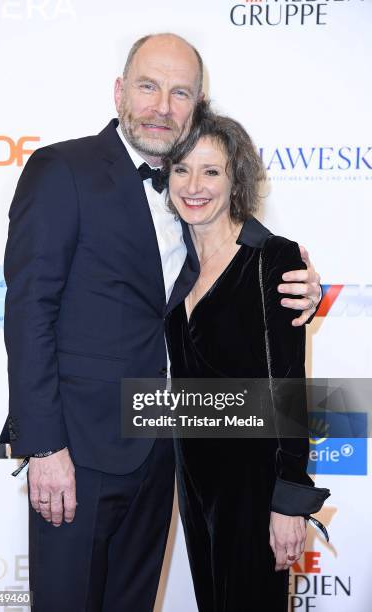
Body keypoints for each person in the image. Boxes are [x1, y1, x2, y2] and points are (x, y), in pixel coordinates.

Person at [0, 34, 322, 611]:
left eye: (180, 93)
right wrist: (43, 446)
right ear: (121, 91)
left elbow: (232, 248)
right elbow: (29, 312)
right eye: (149, 86)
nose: (162, 106)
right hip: (78, 458)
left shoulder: (183, 194)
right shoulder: (62, 169)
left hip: (164, 457)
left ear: (196, 105)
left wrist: (295, 275)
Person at [164, 101, 330, 612]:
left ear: (236, 178)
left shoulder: (272, 258)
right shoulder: (171, 260)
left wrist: (289, 499)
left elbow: (288, 385)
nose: (194, 184)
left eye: (211, 170)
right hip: (192, 474)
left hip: (253, 479)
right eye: (182, 169)